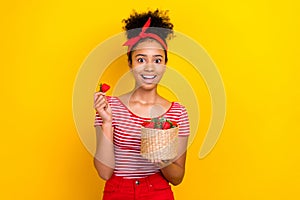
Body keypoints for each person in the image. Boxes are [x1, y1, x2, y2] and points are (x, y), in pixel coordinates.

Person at [93, 9, 190, 200]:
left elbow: (177, 177)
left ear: (164, 64)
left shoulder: (177, 113)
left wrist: (160, 159)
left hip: (158, 192)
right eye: (141, 59)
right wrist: (106, 122)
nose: (149, 67)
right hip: (117, 192)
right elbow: (104, 173)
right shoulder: (109, 107)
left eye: (157, 60)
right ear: (129, 63)